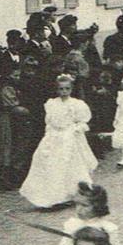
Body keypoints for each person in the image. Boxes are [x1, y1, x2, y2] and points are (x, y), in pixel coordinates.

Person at [20, 74, 98, 209]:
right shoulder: (51, 104)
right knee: (50, 163)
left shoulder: (76, 104)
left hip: (69, 136)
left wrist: (76, 129)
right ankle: (53, 196)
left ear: (71, 89)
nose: (64, 92)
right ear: (57, 90)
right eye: (61, 89)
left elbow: (83, 121)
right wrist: (48, 135)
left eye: (67, 89)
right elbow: (49, 122)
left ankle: (71, 193)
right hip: (54, 137)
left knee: (70, 165)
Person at [55, 183, 123, 245]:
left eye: (85, 205)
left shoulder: (107, 228)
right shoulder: (71, 226)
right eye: (77, 204)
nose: (79, 209)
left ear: (97, 206)